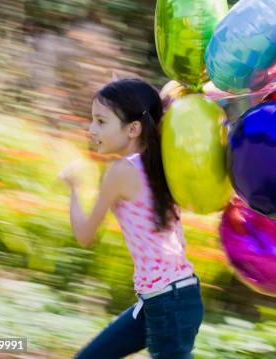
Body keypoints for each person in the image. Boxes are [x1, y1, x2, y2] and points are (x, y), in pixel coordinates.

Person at [59, 78, 203, 359]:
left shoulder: (121, 171)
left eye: (101, 121)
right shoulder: (160, 161)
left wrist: (75, 188)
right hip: (166, 298)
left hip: (167, 302)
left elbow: (85, 235)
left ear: (133, 128)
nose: (91, 129)